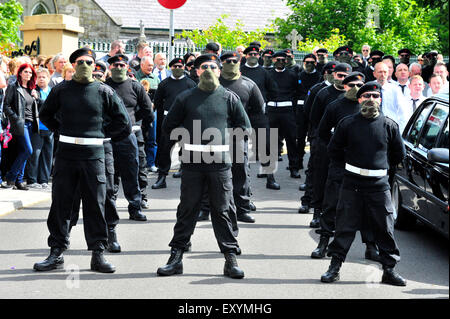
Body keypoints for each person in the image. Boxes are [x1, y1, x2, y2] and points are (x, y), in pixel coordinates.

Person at [33, 47, 131, 273]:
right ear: (73, 65)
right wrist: (61, 132)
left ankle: (98, 254)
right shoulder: (62, 90)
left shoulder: (104, 91)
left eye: (89, 62)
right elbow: (46, 115)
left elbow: (123, 123)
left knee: (95, 205)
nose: (85, 65)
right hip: (67, 155)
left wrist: (103, 136)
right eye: (80, 62)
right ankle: (56, 252)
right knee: (61, 204)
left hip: (93, 155)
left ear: (95, 66)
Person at [156, 53, 250, 279]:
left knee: (223, 210)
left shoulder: (229, 97)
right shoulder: (185, 97)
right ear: (196, 71)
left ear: (219, 71)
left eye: (213, 66)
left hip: (219, 164)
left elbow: (244, 128)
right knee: (187, 209)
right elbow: (169, 126)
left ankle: (230, 259)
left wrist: (224, 141)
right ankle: (176, 257)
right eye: (203, 66)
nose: (208, 70)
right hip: (192, 163)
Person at [321, 81, 407, 287]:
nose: (371, 99)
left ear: (381, 100)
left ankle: (389, 270)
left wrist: (383, 173)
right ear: (359, 99)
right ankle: (334, 267)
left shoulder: (389, 125)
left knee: (385, 228)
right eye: (366, 96)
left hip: (379, 185)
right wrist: (346, 173)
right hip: (352, 184)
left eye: (375, 96)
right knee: (344, 226)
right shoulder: (347, 124)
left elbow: (398, 155)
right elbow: (334, 151)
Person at [311, 73, 381, 261]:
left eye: (360, 84)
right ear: (345, 86)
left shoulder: (373, 108)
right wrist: (338, 153)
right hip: (341, 165)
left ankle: (371, 246)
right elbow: (322, 132)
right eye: (352, 84)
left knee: (368, 209)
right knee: (332, 204)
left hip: (365, 167)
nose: (357, 87)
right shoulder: (335, 106)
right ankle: (323, 242)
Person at [105, 54, 154, 217]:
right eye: (115, 66)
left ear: (127, 67)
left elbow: (148, 111)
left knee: (132, 173)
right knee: (110, 174)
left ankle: (135, 207)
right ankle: (109, 209)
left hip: (130, 136)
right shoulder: (104, 86)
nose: (118, 68)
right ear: (110, 68)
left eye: (121, 65)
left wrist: (132, 123)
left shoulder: (135, 86)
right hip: (109, 137)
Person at [308, 63, 351, 223]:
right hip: (326, 141)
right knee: (321, 177)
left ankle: (341, 214)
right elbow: (313, 117)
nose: (343, 79)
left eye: (346, 77)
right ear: (333, 75)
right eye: (340, 75)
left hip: (347, 145)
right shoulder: (323, 93)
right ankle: (317, 212)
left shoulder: (354, 96)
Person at [298, 61, 337, 214]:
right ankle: (307, 200)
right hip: (318, 134)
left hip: (337, 136)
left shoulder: (345, 90)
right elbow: (309, 111)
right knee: (314, 169)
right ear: (326, 73)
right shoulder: (317, 89)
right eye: (332, 73)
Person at [152, 57, 196, 189]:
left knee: (187, 149)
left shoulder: (190, 83)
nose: (177, 69)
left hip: (185, 121)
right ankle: (162, 177)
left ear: (184, 68)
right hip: (169, 120)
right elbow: (158, 103)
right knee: (165, 149)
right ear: (171, 68)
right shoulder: (164, 84)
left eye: (180, 67)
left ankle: (185, 172)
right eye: (175, 67)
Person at [2, 63, 40, 190]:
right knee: (28, 150)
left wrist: (37, 97)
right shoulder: (14, 87)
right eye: (25, 72)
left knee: (23, 151)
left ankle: (18, 180)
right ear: (20, 73)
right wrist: (16, 119)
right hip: (20, 124)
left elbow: (35, 107)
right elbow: (6, 106)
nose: (28, 75)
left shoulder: (32, 89)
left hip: (31, 123)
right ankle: (11, 176)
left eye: (30, 73)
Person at [266, 50, 301, 186]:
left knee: (292, 140)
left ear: (286, 61)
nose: (280, 62)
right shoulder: (268, 74)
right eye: (278, 59)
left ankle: (294, 168)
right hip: (272, 110)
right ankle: (268, 171)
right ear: (273, 60)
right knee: (270, 142)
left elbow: (298, 91)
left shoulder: (292, 75)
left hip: (287, 110)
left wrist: (293, 109)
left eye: (283, 60)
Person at [25, 67, 54, 189]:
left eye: (44, 77)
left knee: (47, 155)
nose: (41, 79)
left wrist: (39, 100)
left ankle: (44, 180)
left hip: (50, 128)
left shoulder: (53, 91)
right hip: (37, 128)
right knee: (35, 154)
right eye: (39, 77)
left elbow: (51, 106)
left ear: (48, 79)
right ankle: (32, 180)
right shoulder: (32, 91)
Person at [135, 56, 160, 172]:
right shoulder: (135, 77)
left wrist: (153, 104)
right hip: (138, 113)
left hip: (151, 112)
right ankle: (138, 163)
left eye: (152, 65)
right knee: (137, 138)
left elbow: (159, 96)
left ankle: (151, 163)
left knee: (152, 138)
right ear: (141, 65)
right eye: (148, 65)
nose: (151, 67)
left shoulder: (155, 78)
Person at [373, 62, 411, 133]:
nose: (383, 74)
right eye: (380, 72)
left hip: (390, 129)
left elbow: (403, 113)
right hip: (372, 128)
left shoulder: (395, 89)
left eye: (385, 72)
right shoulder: (369, 88)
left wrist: (400, 132)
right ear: (374, 74)